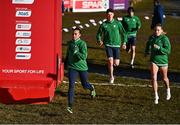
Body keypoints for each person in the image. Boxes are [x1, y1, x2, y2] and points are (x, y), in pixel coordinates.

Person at [65, 28, 96, 113]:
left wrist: (77, 52)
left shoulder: (82, 44)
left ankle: (91, 88)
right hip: (72, 67)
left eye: (75, 34)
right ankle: (70, 106)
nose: (73, 35)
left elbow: (84, 57)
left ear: (79, 35)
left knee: (85, 85)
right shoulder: (70, 43)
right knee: (71, 86)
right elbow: (67, 55)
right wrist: (65, 65)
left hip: (82, 68)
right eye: (73, 34)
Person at [96, 8, 127, 84]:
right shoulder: (104, 24)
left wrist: (124, 43)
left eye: (111, 14)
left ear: (113, 15)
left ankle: (112, 65)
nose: (109, 16)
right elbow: (98, 34)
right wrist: (99, 40)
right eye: (108, 14)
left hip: (116, 45)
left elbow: (124, 33)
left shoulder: (118, 23)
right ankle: (111, 76)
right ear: (106, 15)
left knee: (116, 63)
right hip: (108, 45)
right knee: (110, 61)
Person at [145, 24, 171, 104]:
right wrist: (147, 51)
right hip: (154, 60)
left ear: (161, 31)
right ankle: (156, 96)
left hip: (163, 61)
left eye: (158, 30)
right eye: (155, 30)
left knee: (164, 78)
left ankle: (168, 90)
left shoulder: (165, 39)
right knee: (153, 77)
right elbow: (148, 44)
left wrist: (159, 48)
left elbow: (168, 51)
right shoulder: (152, 37)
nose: (156, 31)